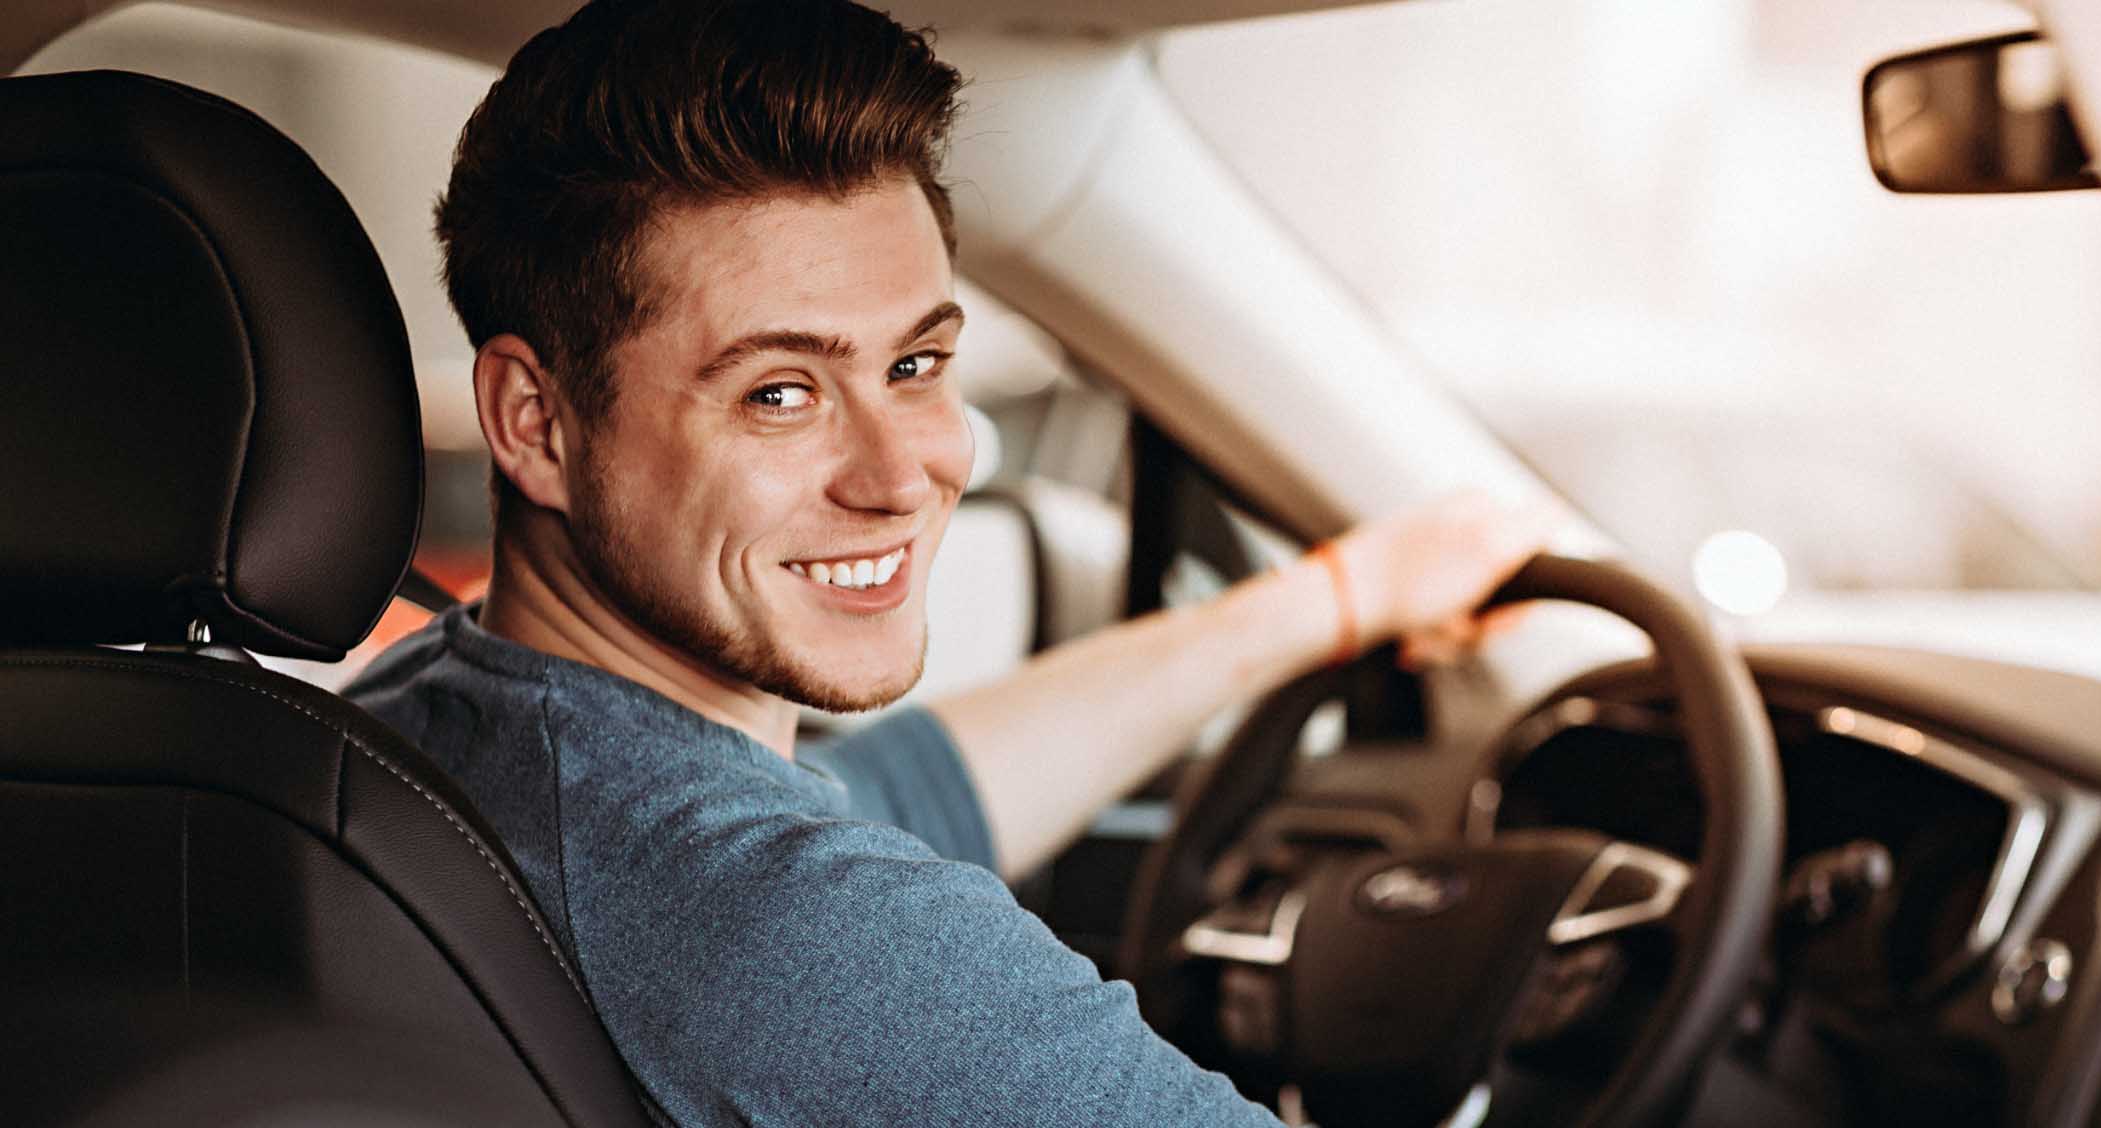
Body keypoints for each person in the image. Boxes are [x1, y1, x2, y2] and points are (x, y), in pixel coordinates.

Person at [345, 0, 1555, 1122]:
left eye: (916, 366)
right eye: (779, 393)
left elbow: (901, 795)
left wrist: (1334, 600)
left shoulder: (428, 733)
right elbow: (809, 892)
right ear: (533, 422)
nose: (902, 473)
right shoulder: (802, 934)